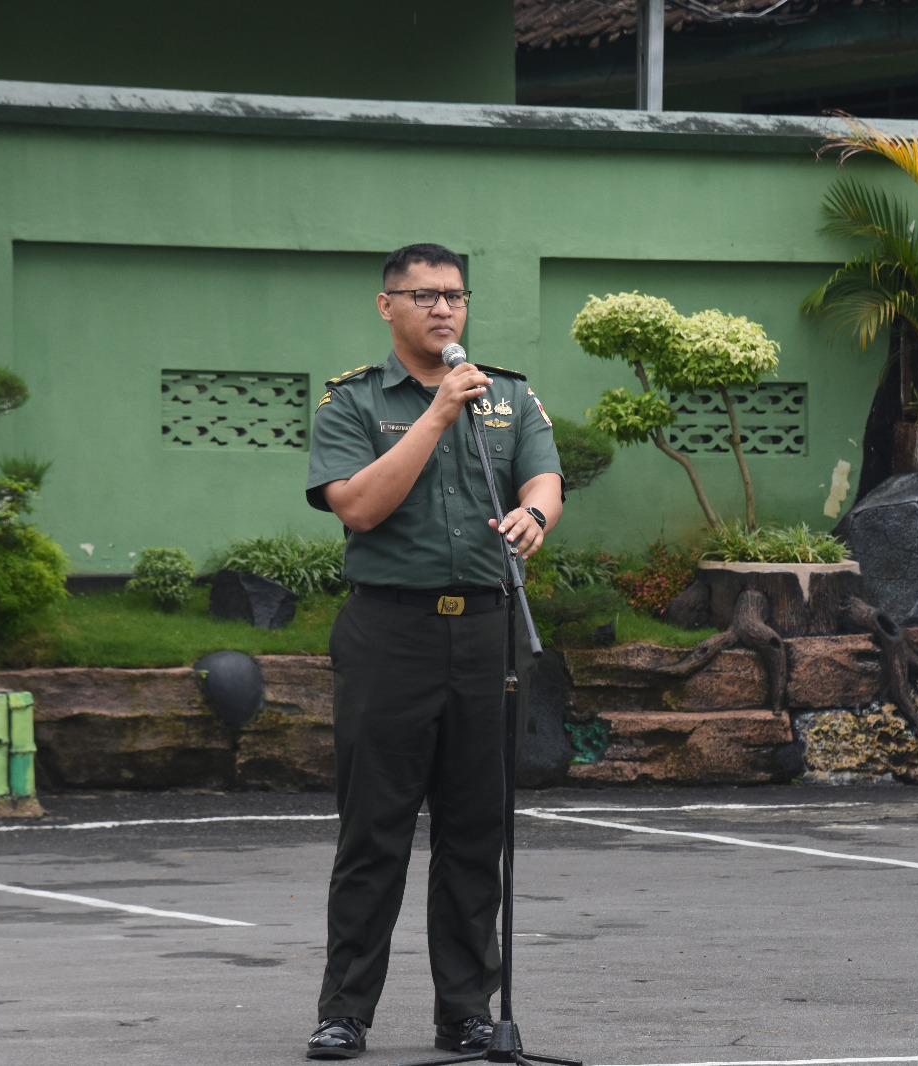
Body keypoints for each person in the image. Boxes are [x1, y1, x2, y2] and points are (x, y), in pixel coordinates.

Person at [303, 243, 564, 1059]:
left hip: (486, 628)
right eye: (422, 296)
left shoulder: (509, 395)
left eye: (453, 295)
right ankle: (346, 1011)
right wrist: (439, 411)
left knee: (474, 828)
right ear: (388, 306)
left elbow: (544, 478)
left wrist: (535, 517)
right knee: (375, 829)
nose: (442, 310)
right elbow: (361, 507)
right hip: (391, 633)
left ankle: (466, 1012)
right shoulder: (353, 402)